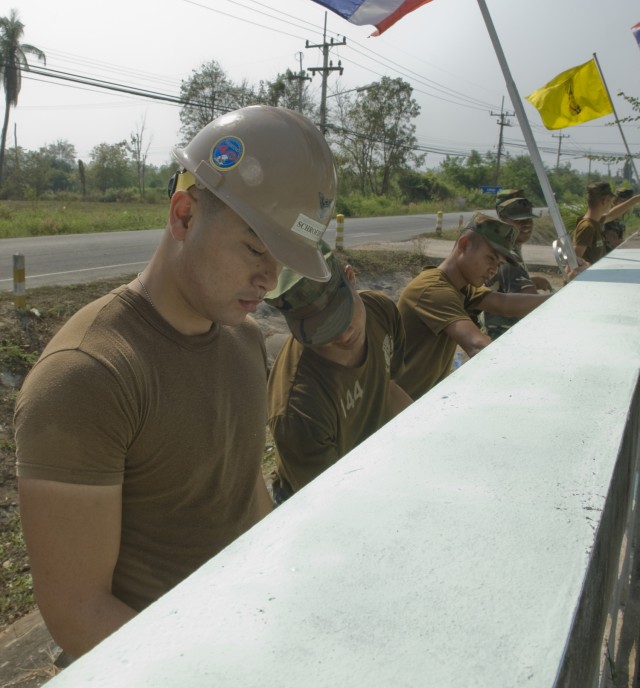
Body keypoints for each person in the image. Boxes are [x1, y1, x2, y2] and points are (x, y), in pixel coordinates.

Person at [14, 105, 337, 659]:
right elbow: (77, 612)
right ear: (184, 216)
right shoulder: (87, 376)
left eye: (283, 261)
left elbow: (243, 493)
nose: (268, 279)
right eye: (256, 248)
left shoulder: (243, 340)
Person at [265, 243, 411, 504]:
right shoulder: (297, 409)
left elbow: (388, 389)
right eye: (322, 329)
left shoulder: (381, 312)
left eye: (341, 315)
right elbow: (333, 501)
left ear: (351, 277)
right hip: (317, 498)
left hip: (368, 466)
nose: (343, 335)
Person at [397, 213, 547, 400]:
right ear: (464, 245)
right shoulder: (433, 289)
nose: (494, 270)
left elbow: (505, 303)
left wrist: (560, 298)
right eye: (490, 259)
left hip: (416, 400)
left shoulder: (461, 287)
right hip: (395, 409)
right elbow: (477, 345)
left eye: (499, 264)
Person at [482, 195, 552, 341]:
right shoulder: (508, 256)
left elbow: (506, 286)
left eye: (529, 220)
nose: (526, 225)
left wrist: (532, 282)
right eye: (519, 221)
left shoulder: (508, 248)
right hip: (506, 336)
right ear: (503, 221)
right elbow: (530, 301)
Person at [573, 181, 640, 265]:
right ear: (604, 201)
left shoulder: (595, 222)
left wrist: (636, 199)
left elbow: (612, 215)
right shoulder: (587, 227)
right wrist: (587, 266)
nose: (611, 204)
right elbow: (573, 262)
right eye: (610, 200)